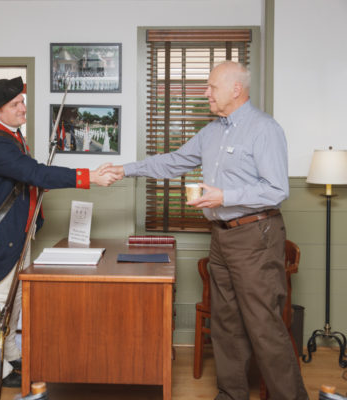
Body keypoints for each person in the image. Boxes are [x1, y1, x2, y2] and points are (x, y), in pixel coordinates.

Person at [106, 61, 308, 400]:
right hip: (221, 236)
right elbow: (174, 160)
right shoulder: (213, 131)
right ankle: (231, 395)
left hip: (255, 236)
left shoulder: (264, 129)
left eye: (211, 87)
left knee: (263, 326)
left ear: (235, 89)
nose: (205, 93)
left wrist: (224, 195)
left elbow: (277, 190)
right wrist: (125, 169)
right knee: (225, 322)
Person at [0, 76, 117, 388]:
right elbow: (33, 172)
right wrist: (88, 176)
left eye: (22, 101)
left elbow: (28, 178)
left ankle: (10, 355)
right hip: (4, 231)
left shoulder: (11, 136)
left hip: (20, 229)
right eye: (16, 105)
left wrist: (41, 185)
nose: (23, 108)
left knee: (15, 295)